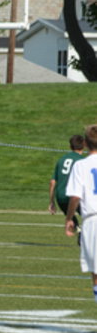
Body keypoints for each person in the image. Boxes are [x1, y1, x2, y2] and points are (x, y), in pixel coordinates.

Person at [65, 125, 97, 302]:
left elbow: (75, 196)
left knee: (96, 273)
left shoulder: (81, 165)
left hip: (93, 220)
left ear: (85, 143)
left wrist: (69, 218)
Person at [49, 134, 84, 233]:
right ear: (84, 145)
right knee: (90, 217)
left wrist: (51, 202)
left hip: (61, 197)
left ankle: (78, 230)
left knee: (73, 222)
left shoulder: (61, 160)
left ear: (70, 146)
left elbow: (52, 182)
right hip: (75, 196)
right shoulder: (82, 161)